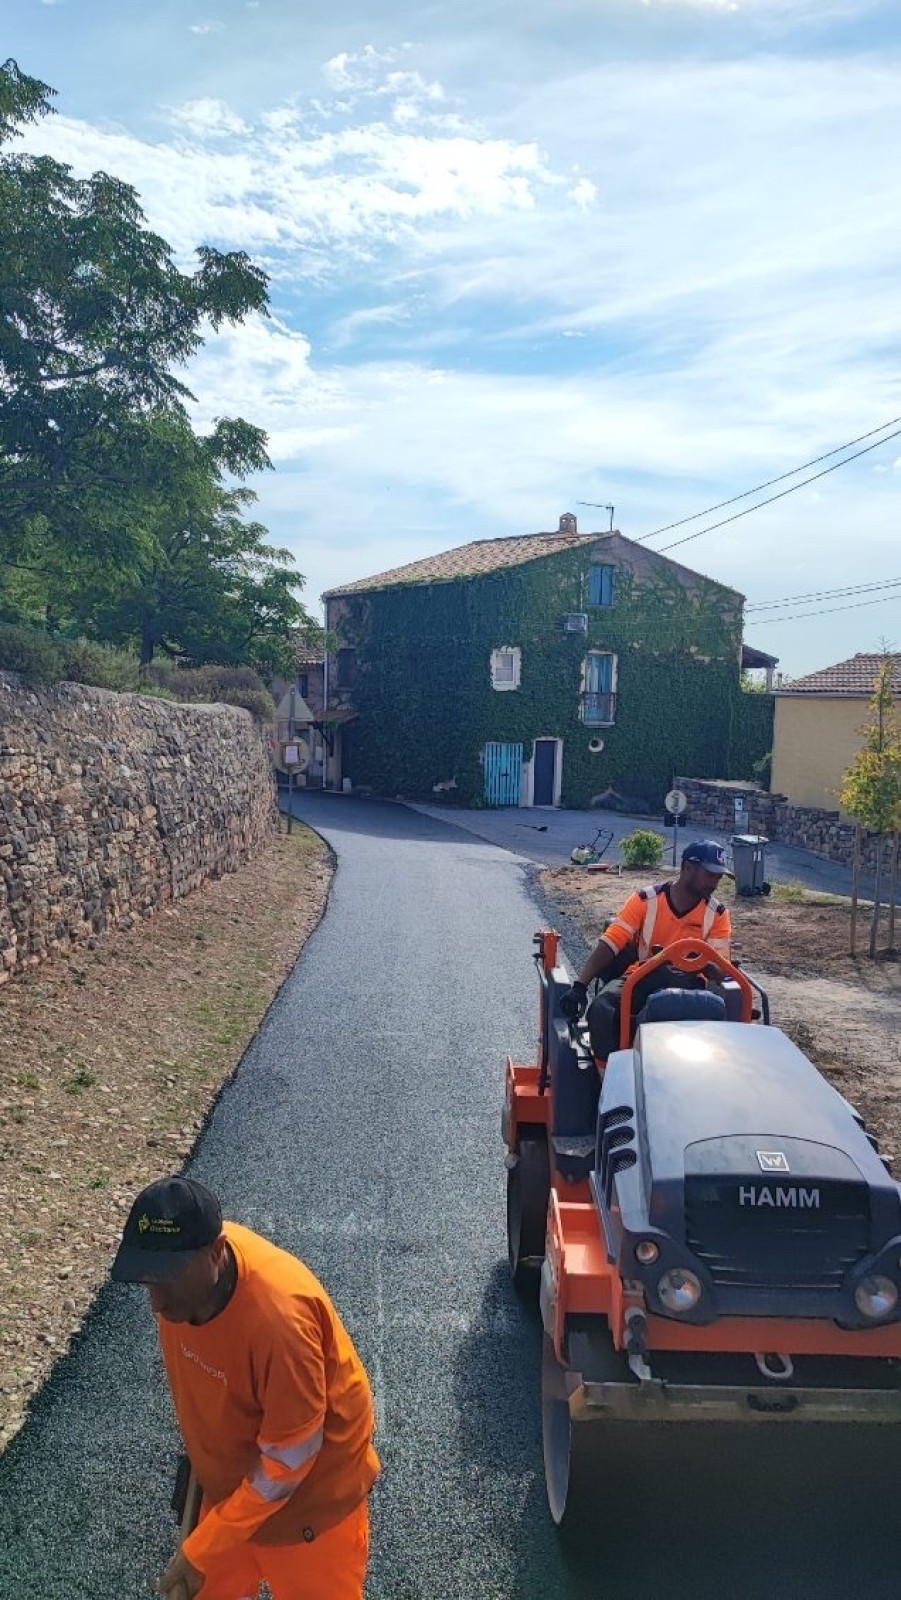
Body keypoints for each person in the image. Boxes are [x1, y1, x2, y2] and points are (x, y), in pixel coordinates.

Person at [111, 1175, 380, 1600]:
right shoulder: (184, 1284)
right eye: (148, 1280)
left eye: (167, 1280)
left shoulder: (280, 1324)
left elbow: (288, 1463)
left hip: (311, 1510)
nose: (156, 1304)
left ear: (217, 1254)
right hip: (233, 1496)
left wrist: (204, 1547)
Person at [560, 839, 733, 1061]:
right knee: (602, 1008)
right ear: (688, 868)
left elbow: (721, 968)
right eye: (711, 874)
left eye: (719, 876)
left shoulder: (718, 913)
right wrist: (579, 986)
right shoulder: (645, 899)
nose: (715, 882)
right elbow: (611, 942)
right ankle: (609, 1076)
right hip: (641, 975)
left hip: (691, 985)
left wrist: (697, 962)